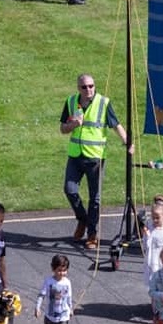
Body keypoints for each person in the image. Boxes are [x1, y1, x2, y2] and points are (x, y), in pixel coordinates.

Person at [60, 72, 132, 249]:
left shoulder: (103, 103)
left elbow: (116, 125)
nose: (88, 90)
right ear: (79, 88)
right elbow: (62, 128)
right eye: (84, 87)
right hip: (75, 155)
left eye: (91, 86)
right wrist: (73, 125)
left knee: (95, 198)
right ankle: (83, 220)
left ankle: (92, 233)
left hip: (95, 158)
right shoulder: (71, 102)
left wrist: (128, 142)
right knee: (69, 190)